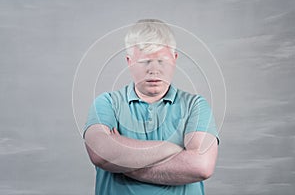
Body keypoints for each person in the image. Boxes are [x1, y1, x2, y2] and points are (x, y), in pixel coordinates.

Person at [83, 19, 219, 195]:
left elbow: (201, 167)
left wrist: (123, 161)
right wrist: (172, 149)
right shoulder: (107, 103)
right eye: (144, 62)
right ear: (129, 61)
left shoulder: (196, 106)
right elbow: (101, 153)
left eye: (161, 61)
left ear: (175, 59)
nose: (154, 70)